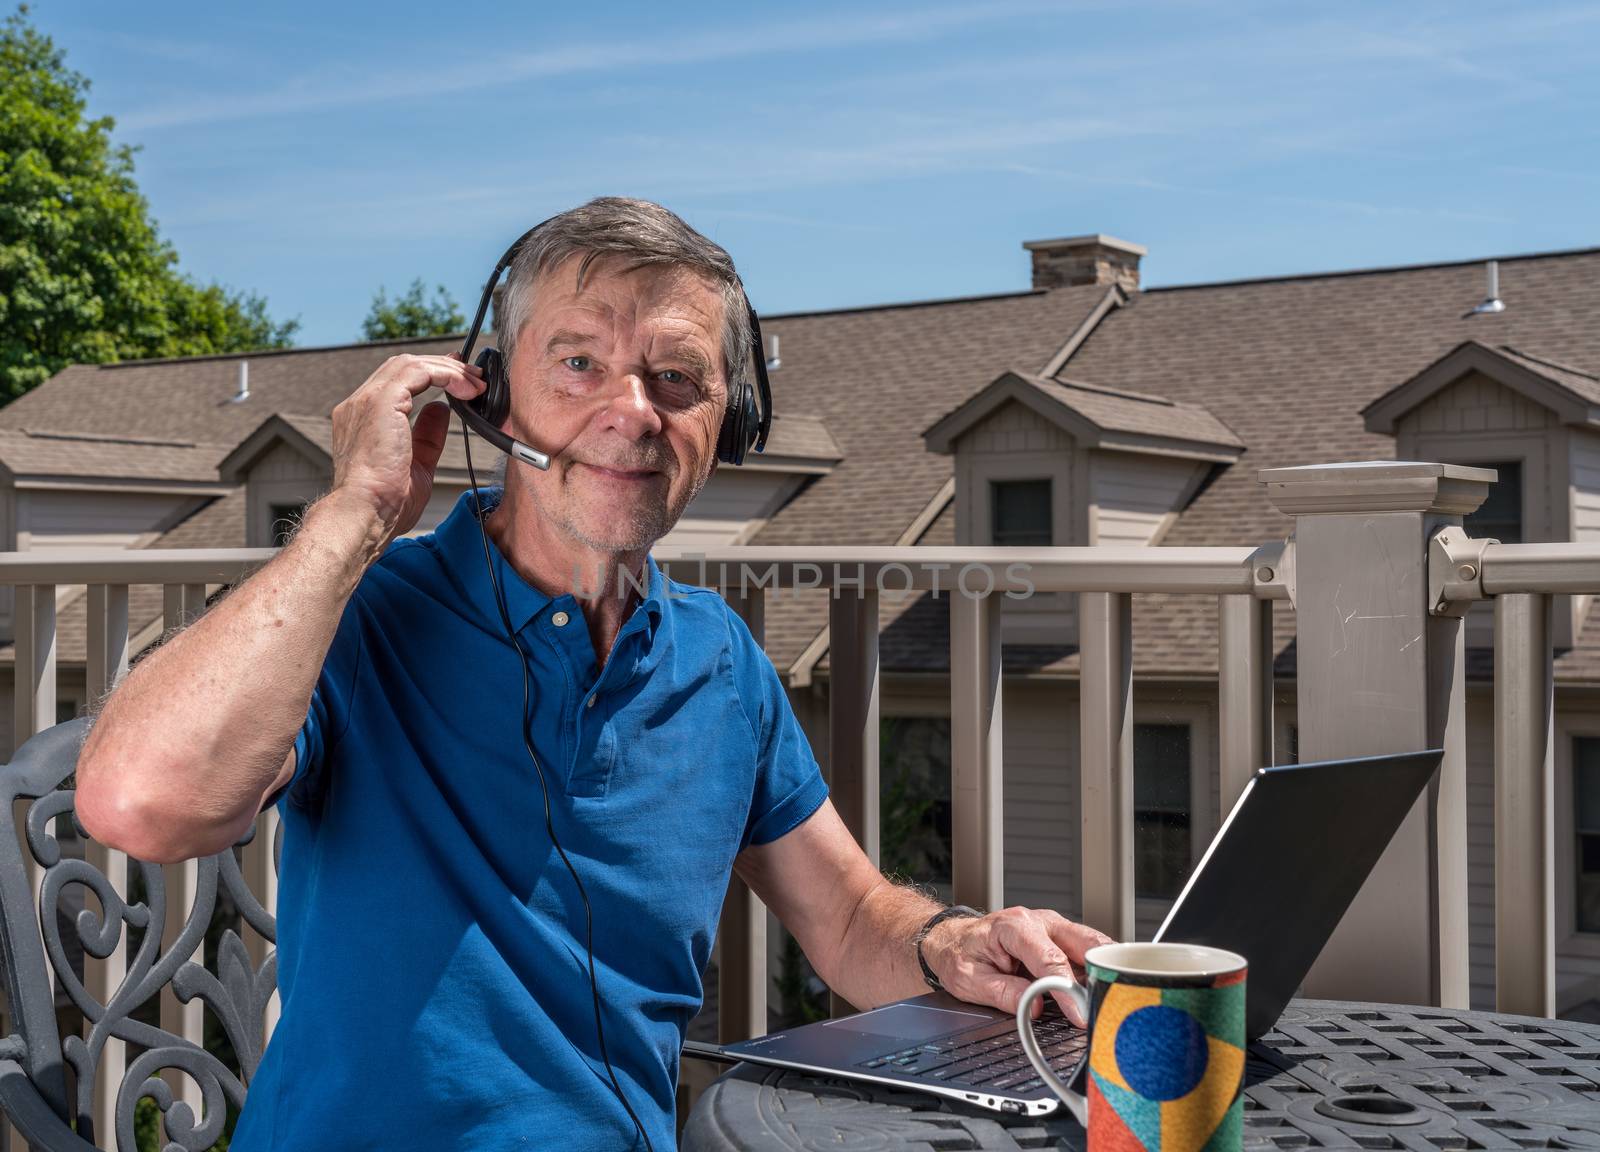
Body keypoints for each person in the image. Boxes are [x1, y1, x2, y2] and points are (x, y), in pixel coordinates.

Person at [75, 197, 1112, 1150]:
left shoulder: (723, 663)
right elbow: (142, 806)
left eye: (677, 377)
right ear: (495, 398)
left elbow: (845, 917)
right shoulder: (354, 618)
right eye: (577, 363)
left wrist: (955, 943)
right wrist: (355, 511)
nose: (631, 411)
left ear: (728, 421)